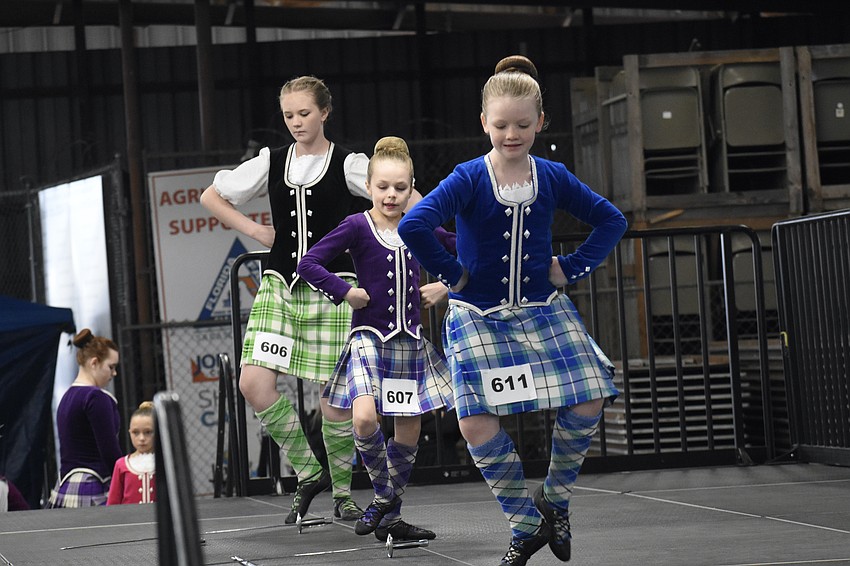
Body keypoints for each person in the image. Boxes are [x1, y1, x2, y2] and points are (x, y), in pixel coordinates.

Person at [398, 55, 628, 565]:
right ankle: (525, 525)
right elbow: (414, 225)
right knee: (474, 422)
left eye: (523, 124)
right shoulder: (468, 177)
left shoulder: (553, 176)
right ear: (484, 122)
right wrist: (453, 275)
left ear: (540, 122)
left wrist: (572, 267)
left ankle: (555, 500)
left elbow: (612, 220)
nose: (511, 134)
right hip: (477, 315)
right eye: (501, 124)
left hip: (542, 309)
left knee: (591, 395)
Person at [201, 76, 420, 524]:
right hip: (281, 284)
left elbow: (410, 199)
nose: (296, 122)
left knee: (334, 397)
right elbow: (212, 195)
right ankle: (308, 470)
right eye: (288, 115)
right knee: (252, 383)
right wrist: (256, 230)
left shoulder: (349, 164)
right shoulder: (271, 161)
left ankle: (342, 493)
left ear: (324, 112)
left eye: (304, 113)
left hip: (335, 287)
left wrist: (387, 241)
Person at [297, 136, 454, 541]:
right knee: (365, 418)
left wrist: (445, 287)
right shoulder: (357, 225)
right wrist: (346, 292)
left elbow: (466, 253)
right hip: (368, 338)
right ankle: (385, 498)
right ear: (368, 186)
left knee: (409, 430)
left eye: (400, 187)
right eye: (382, 186)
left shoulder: (421, 226)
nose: (391, 195)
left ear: (412, 188)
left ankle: (390, 514)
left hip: (409, 342)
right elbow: (308, 263)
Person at [47, 328, 122, 508]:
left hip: (66, 485)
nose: (114, 373)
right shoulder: (96, 397)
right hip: (93, 486)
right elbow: (109, 450)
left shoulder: (67, 397)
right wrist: (126, 477)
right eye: (111, 367)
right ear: (94, 363)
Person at [107, 401, 156, 505]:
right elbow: (112, 504)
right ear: (129, 432)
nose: (141, 438)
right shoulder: (121, 465)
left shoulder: (166, 464)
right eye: (135, 432)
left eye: (148, 432)